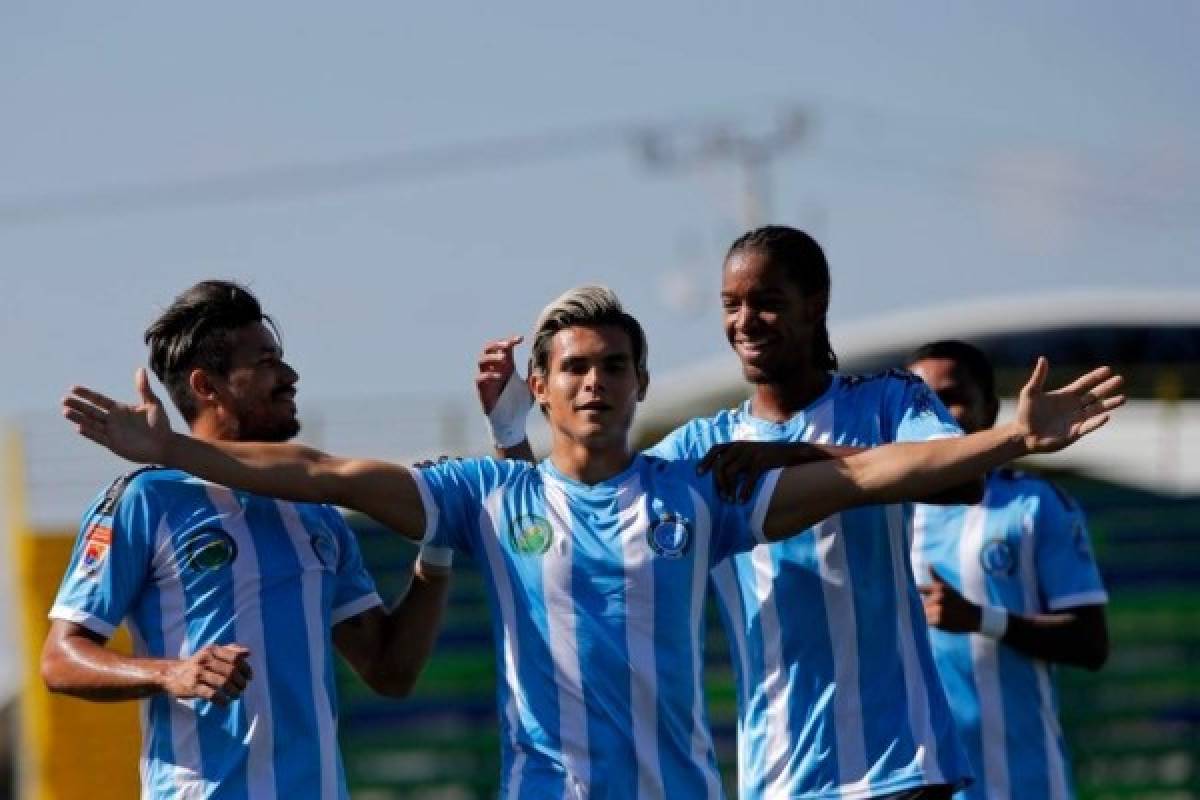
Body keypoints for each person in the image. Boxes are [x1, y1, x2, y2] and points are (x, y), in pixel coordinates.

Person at [62, 285, 1122, 799]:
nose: (595, 380)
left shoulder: (698, 493)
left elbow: (870, 475)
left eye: (615, 364)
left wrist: (1004, 435)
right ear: (542, 385)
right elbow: (325, 472)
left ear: (641, 385)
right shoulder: (489, 493)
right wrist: (180, 452)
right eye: (573, 365)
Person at [475, 227, 982, 799]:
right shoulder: (702, 449)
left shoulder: (889, 399)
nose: (745, 321)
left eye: (767, 302)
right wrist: (511, 432)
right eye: (731, 304)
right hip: (777, 777)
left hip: (899, 764)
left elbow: (959, 475)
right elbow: (570, 515)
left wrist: (795, 453)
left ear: (815, 305)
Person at [43, 280, 450, 800]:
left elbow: (391, 672)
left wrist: (436, 555)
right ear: (207, 386)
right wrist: (175, 673)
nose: (290, 377)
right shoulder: (148, 499)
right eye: (265, 363)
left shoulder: (317, 512)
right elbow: (60, 659)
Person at [906, 340, 1109, 800]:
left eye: (953, 397)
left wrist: (981, 619)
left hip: (1022, 783)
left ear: (990, 409)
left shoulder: (1033, 506)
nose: (937, 414)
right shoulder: (883, 515)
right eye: (922, 401)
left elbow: (1090, 643)